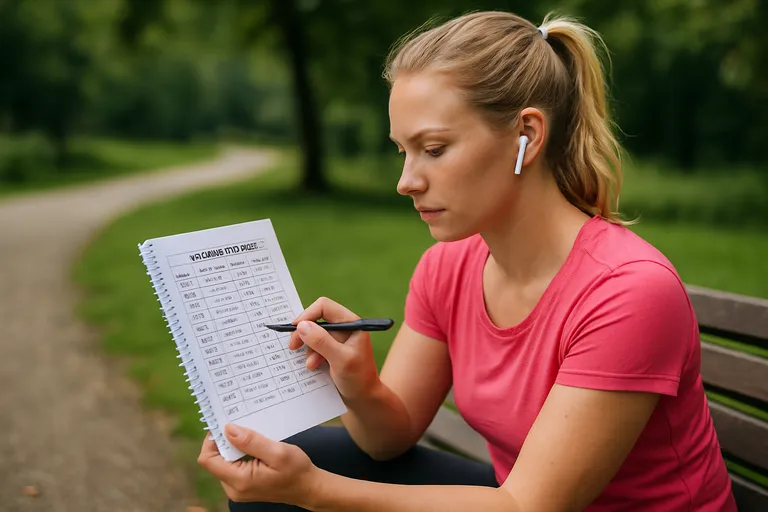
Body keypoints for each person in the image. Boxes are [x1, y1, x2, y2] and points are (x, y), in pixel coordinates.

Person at [198, 10, 737, 511]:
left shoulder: (627, 292)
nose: (406, 181)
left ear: (526, 134)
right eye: (402, 151)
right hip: (515, 497)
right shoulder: (449, 266)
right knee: (278, 454)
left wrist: (315, 492)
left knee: (304, 480)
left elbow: (528, 506)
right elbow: (387, 441)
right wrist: (358, 384)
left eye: (433, 149)